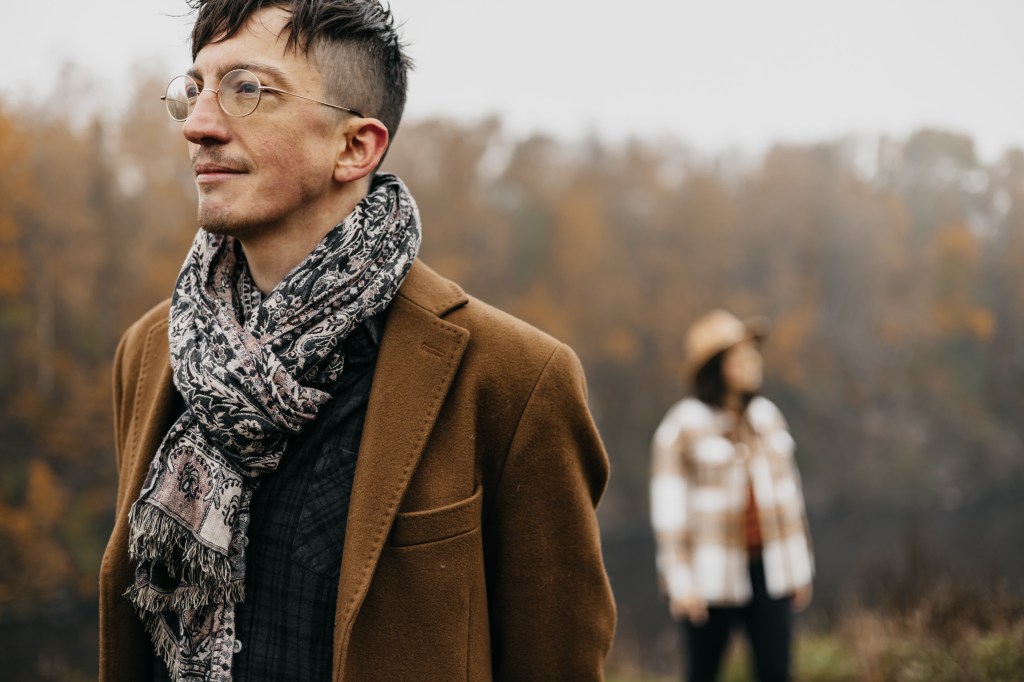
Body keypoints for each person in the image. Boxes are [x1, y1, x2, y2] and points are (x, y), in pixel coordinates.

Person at [98, 2, 616, 680]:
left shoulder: (515, 379)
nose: (198, 125)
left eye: (246, 89)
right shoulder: (151, 352)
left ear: (355, 148)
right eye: (195, 89)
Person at [649, 309, 813, 681]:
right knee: (703, 673)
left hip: (771, 571)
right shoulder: (682, 426)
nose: (752, 361)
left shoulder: (768, 417)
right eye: (739, 355)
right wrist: (682, 585)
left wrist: (799, 569)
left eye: (752, 353)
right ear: (715, 368)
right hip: (710, 576)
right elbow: (669, 512)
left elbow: (790, 496)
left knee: (776, 672)